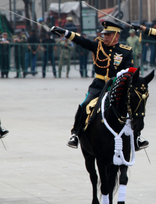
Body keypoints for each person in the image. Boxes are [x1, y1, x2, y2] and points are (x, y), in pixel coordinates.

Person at [50, 20, 149, 150]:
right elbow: (82, 41)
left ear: (116, 36)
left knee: (131, 107)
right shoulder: (98, 46)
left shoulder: (126, 51)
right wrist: (66, 33)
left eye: (108, 35)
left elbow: (129, 70)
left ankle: (137, 137)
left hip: (117, 85)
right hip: (99, 85)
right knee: (85, 105)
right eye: (104, 34)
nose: (105, 37)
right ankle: (75, 134)